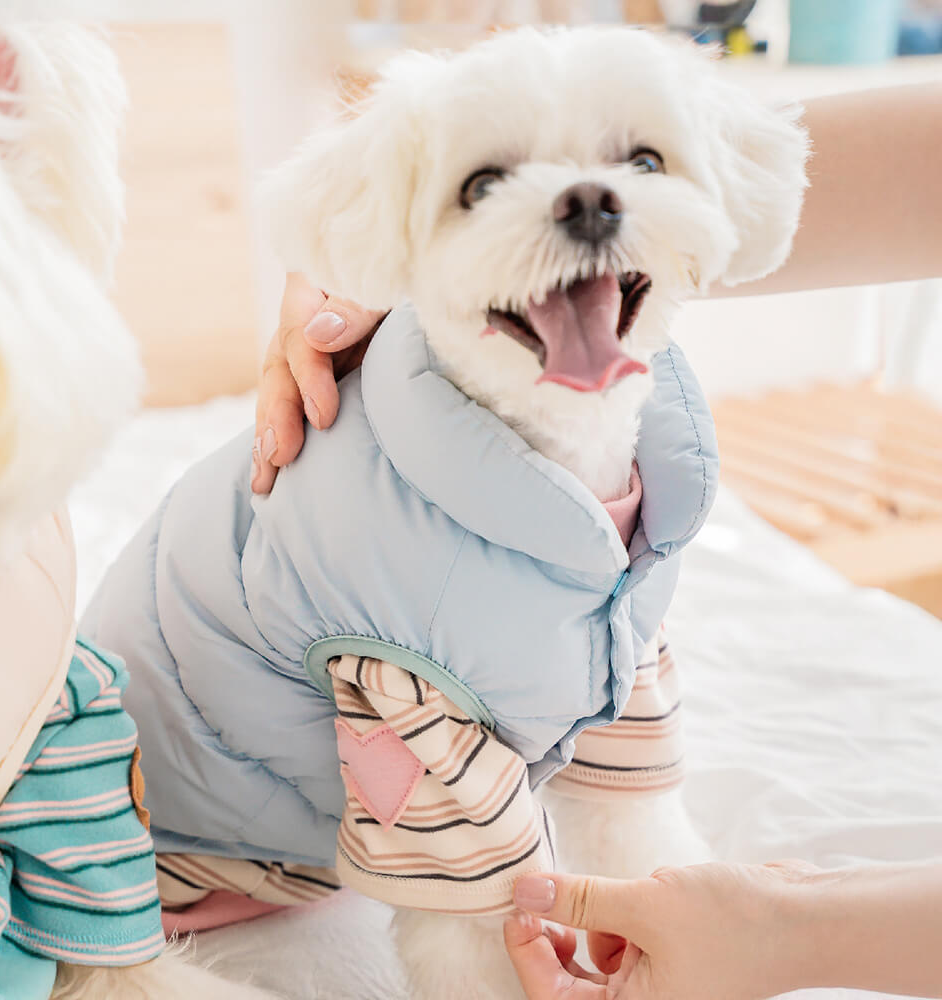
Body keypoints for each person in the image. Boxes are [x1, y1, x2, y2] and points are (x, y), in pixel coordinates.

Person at [249, 82, 942, 998]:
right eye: (487, 183)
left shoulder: (645, 499)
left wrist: (758, 917)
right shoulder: (393, 562)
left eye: (639, 165)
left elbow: (607, 657)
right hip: (230, 852)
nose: (588, 201)